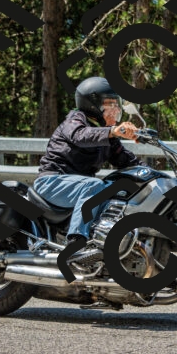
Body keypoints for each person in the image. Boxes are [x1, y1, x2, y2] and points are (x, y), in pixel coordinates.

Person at [33, 76, 144, 247]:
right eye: (110, 104)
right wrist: (113, 131)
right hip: (52, 182)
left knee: (117, 190)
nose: (116, 109)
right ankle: (76, 242)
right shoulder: (75, 121)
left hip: (78, 186)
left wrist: (153, 176)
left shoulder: (107, 135)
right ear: (93, 104)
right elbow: (81, 136)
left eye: (117, 104)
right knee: (93, 185)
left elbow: (126, 160)